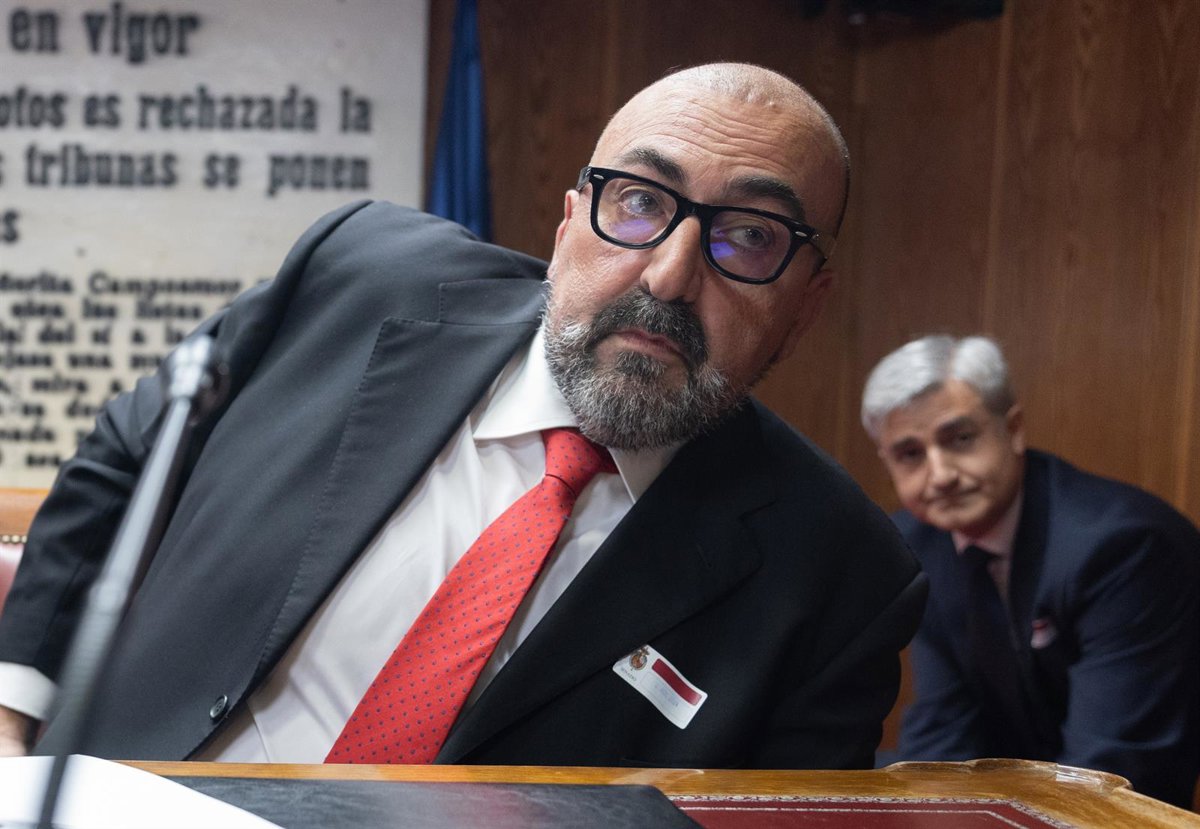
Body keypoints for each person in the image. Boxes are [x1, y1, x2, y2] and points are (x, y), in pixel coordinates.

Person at [0, 63, 926, 769]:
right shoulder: (362, 276)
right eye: (640, 203)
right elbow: (129, 457)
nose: (670, 274)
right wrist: (10, 713)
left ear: (807, 304)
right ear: (569, 223)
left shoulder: (840, 575)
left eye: (750, 236)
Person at [862, 334, 1200, 807]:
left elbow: (1111, 775)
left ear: (1014, 429)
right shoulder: (916, 543)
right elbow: (944, 736)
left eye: (961, 439)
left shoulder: (1123, 548)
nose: (940, 475)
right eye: (910, 454)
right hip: (1015, 803)